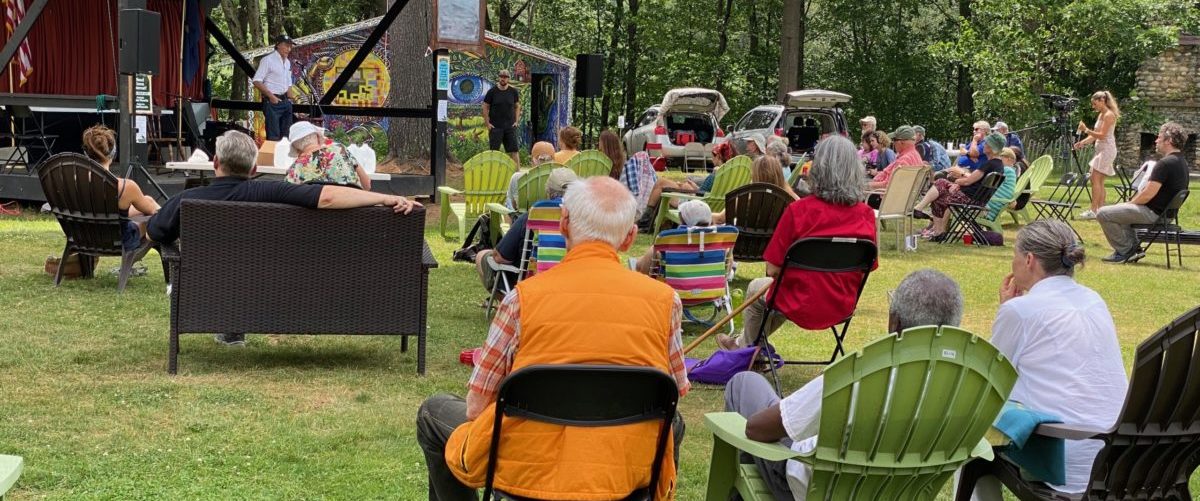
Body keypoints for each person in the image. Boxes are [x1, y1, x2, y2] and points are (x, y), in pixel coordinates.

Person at [417, 176, 690, 501]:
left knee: (432, 412)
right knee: (672, 421)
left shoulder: (521, 300)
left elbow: (477, 406)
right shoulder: (666, 302)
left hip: (525, 471)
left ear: (563, 224)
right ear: (630, 238)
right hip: (621, 472)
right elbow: (673, 394)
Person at [723, 269, 965, 500]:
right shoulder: (966, 387)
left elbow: (758, 429)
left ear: (895, 323)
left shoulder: (863, 373)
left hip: (817, 488)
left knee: (744, 383)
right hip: (901, 490)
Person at [964, 220, 1127, 499]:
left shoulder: (1021, 311)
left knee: (969, 432)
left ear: (1029, 260)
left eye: (1014, 255)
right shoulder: (1094, 300)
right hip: (1121, 456)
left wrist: (1008, 310)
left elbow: (989, 382)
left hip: (1067, 457)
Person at [716, 135, 877, 351]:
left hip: (798, 301)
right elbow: (868, 267)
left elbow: (772, 269)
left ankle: (746, 350)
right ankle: (748, 346)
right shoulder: (866, 215)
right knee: (776, 292)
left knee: (758, 289)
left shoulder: (799, 211)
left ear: (818, 169)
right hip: (841, 304)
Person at [1095, 121, 1190, 263]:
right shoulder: (1182, 162)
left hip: (1153, 214)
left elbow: (1147, 194)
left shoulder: (1164, 164)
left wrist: (1129, 203)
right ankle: (1134, 250)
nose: (1156, 141)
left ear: (1168, 140)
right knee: (1120, 211)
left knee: (1103, 213)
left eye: (1159, 137)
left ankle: (1125, 251)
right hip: (1166, 215)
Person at [476, 168, 578, 294]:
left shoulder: (534, 215)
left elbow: (500, 257)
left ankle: (510, 304)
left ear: (548, 192)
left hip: (533, 286)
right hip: (574, 285)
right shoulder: (585, 219)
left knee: (482, 256)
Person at [912, 132, 1007, 240]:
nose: (984, 145)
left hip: (969, 199)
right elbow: (975, 182)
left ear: (991, 147)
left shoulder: (990, 164)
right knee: (940, 190)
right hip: (975, 199)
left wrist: (955, 181)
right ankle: (937, 231)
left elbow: (968, 181)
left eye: (986, 143)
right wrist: (958, 184)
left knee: (940, 184)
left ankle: (930, 221)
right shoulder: (998, 165)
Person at [81, 125, 160, 252]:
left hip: (84, 238)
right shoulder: (125, 187)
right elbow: (153, 211)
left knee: (148, 199)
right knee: (156, 216)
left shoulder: (75, 182)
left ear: (86, 154)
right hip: (119, 240)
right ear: (113, 153)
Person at [284, 121, 371, 191]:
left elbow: (288, 196)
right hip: (353, 205)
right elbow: (367, 185)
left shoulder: (293, 169)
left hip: (318, 207)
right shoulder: (340, 149)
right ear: (318, 137)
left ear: (297, 149)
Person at [634, 199, 712, 274]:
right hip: (707, 282)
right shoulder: (715, 242)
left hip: (671, 282)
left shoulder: (668, 239)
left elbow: (642, 269)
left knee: (650, 253)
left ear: (681, 220)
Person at [712, 155, 797, 224]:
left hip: (745, 240)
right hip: (777, 239)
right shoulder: (788, 197)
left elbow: (720, 219)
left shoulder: (745, 197)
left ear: (755, 176)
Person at [1075, 91, 1121, 220]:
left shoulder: (1109, 115)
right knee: (1098, 181)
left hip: (1107, 150)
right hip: (1101, 150)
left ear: (1102, 100)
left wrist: (1085, 129)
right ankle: (1101, 211)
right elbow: (1094, 135)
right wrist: (1082, 142)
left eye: (1095, 104)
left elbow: (1102, 135)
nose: (1093, 106)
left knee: (1095, 179)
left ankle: (1094, 210)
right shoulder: (1101, 115)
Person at [252, 35, 297, 141]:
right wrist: (271, 97)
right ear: (278, 45)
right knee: (273, 136)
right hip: (272, 101)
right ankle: (272, 153)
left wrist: (291, 99)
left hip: (285, 101)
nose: (289, 49)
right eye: (286, 46)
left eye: (290, 46)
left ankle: (284, 153)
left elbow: (288, 81)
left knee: (286, 136)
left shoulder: (287, 62)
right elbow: (256, 80)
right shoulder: (267, 60)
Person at [482, 69, 522, 166]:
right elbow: (485, 107)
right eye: (501, 77)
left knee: (514, 151)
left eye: (505, 77)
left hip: (510, 127)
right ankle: (493, 172)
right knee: (493, 152)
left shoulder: (513, 92)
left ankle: (517, 173)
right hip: (495, 127)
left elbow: (517, 106)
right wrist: (487, 124)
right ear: (499, 78)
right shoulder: (492, 92)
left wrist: (516, 121)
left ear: (508, 79)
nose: (503, 79)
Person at [867, 125, 924, 191]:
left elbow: (889, 185)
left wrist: (867, 185)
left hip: (888, 194)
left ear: (902, 142)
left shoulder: (904, 160)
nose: (893, 143)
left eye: (894, 140)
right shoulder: (915, 155)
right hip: (905, 194)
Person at [504, 141, 556, 210]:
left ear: (532, 161)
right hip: (553, 215)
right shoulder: (560, 180)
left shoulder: (518, 178)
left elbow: (511, 206)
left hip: (525, 215)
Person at [984, 148, 1020, 221]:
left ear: (1009, 159)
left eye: (1000, 157)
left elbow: (988, 182)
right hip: (995, 204)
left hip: (989, 209)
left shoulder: (1006, 170)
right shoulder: (1011, 171)